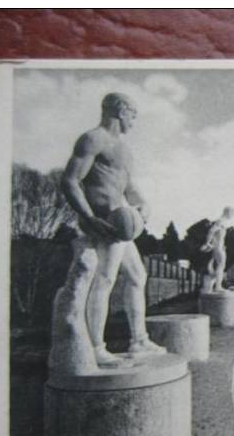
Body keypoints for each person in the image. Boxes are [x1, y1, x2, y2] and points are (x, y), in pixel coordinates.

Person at [61, 92, 164, 366]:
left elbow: (128, 188)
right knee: (104, 281)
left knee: (137, 276)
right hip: (104, 223)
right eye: (133, 114)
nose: (135, 121)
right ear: (120, 111)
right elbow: (70, 181)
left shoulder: (124, 149)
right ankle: (96, 347)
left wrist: (143, 206)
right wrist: (89, 217)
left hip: (121, 222)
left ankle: (138, 340)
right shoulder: (93, 138)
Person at [200, 206, 234, 293]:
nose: (232, 215)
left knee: (220, 266)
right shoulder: (221, 221)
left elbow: (214, 234)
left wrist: (210, 243)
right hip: (218, 247)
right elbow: (211, 231)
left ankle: (216, 285)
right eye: (232, 213)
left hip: (219, 246)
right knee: (221, 265)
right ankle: (218, 287)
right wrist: (207, 243)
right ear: (227, 212)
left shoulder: (222, 221)